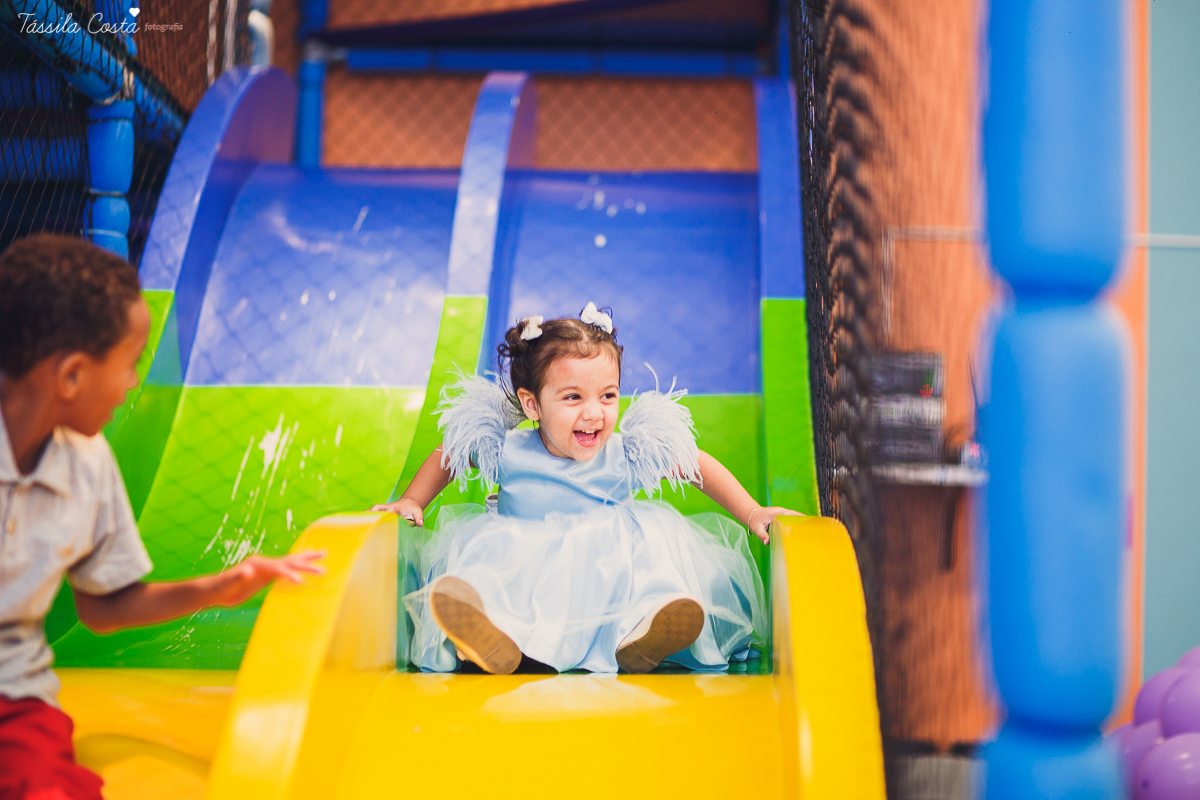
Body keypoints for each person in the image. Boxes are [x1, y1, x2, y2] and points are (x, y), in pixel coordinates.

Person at [0, 234, 324, 800]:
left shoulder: (86, 463)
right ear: (72, 375)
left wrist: (218, 587)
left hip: (14, 700)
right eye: (130, 364)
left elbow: (102, 606)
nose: (131, 386)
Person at [374, 303, 798, 675]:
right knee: (482, 569)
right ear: (532, 405)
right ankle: (492, 638)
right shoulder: (509, 448)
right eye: (573, 397)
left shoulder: (622, 452)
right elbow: (450, 452)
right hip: (528, 571)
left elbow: (693, 463)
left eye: (608, 395)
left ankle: (643, 635)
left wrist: (752, 511)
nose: (594, 413)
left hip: (605, 581)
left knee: (652, 558)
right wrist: (414, 499)